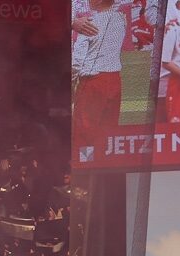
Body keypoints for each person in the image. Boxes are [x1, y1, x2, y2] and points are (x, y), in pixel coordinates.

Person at [71, 0, 127, 153]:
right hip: (115, 79)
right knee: (108, 131)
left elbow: (76, 62)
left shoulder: (90, 23)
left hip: (93, 82)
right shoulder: (120, 20)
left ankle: (85, 166)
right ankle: (105, 164)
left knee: (85, 131)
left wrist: (70, 80)